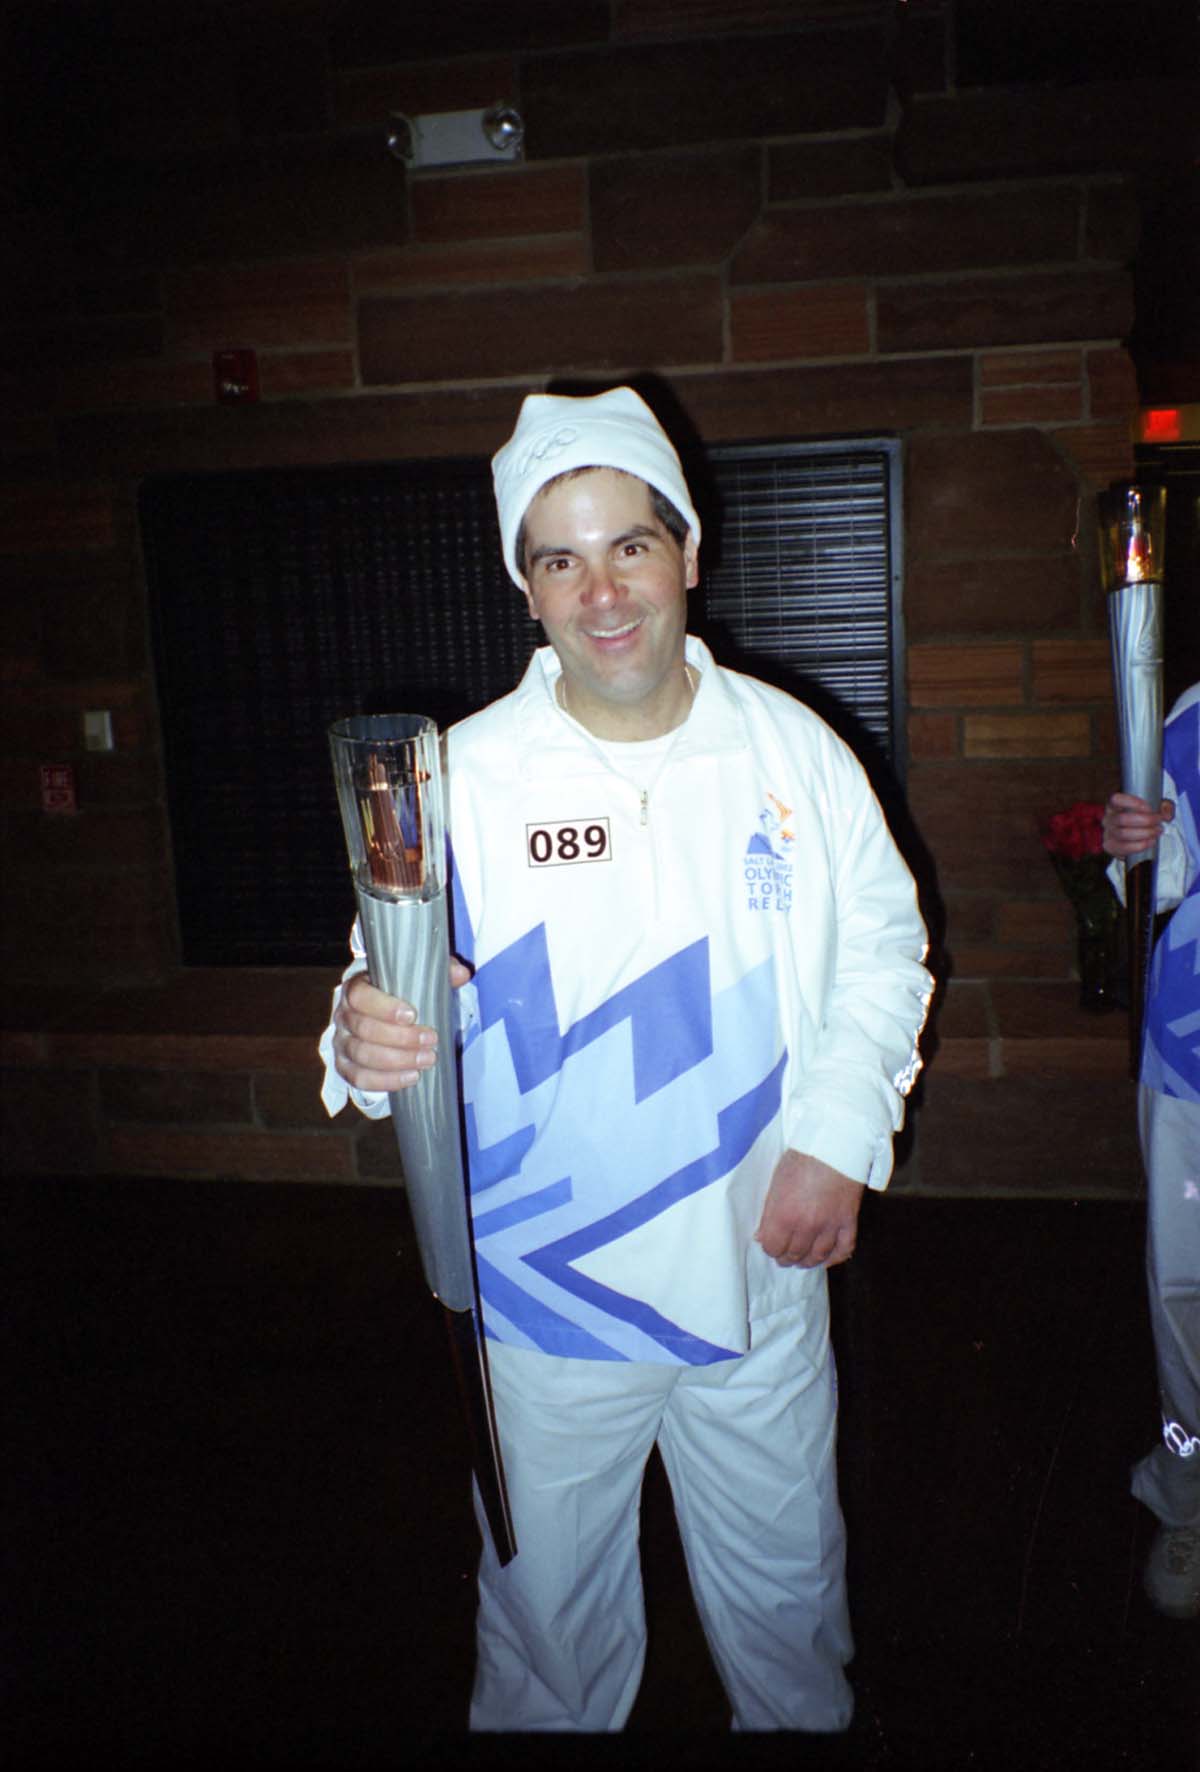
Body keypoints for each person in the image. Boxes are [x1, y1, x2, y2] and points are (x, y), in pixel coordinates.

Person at [320, 386, 932, 1729]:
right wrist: (364, 1029)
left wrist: (836, 1139)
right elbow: (382, 1001)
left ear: (689, 553)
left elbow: (884, 952)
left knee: (787, 1612)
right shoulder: (454, 784)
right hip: (545, 1309)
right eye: (558, 557)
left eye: (629, 545)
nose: (600, 590)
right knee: (549, 1640)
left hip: (754, 1276)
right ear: (524, 590)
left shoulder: (795, 754)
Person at [1103, 680, 1200, 1622]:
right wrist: (1134, 842)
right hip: (1191, 1061)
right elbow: (1159, 876)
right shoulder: (1191, 717)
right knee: (1185, 1298)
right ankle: (1190, 1495)